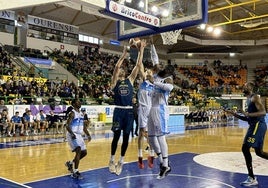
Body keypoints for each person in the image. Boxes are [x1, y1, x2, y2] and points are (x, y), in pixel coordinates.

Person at [108, 40, 146, 176]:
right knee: (116, 137)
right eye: (120, 70)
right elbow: (116, 68)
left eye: (123, 69)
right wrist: (123, 55)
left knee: (125, 138)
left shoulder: (130, 80)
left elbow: (137, 65)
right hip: (118, 111)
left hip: (129, 111)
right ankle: (111, 160)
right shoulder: (114, 82)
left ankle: (121, 161)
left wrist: (141, 50)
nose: (121, 70)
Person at [224, 82, 268, 186]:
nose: (243, 86)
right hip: (254, 125)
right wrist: (234, 114)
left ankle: (251, 177)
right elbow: (247, 118)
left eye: (246, 85)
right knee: (259, 153)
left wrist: (247, 113)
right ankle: (252, 178)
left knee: (245, 148)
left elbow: (263, 112)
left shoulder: (255, 97)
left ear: (250, 88)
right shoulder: (248, 100)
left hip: (258, 125)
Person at [147, 63, 174, 179]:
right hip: (151, 109)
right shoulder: (157, 76)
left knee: (160, 137)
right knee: (151, 138)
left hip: (160, 110)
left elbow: (169, 87)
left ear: (168, 72)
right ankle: (162, 162)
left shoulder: (168, 81)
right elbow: (155, 60)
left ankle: (166, 164)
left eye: (165, 68)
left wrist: (154, 82)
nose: (162, 68)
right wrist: (151, 45)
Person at [65, 98, 91, 179]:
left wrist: (88, 134)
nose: (80, 103)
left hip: (79, 135)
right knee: (79, 150)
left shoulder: (81, 114)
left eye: (80, 101)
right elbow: (67, 125)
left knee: (84, 152)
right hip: (72, 134)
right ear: (73, 104)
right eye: (78, 102)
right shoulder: (72, 113)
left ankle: (71, 163)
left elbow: (83, 126)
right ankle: (75, 172)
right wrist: (72, 133)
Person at [137, 60, 155, 169]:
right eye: (146, 73)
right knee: (141, 133)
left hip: (151, 110)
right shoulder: (143, 82)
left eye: (149, 73)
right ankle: (140, 157)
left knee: (151, 135)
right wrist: (141, 49)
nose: (148, 74)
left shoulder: (155, 86)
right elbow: (140, 66)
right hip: (143, 109)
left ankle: (151, 156)